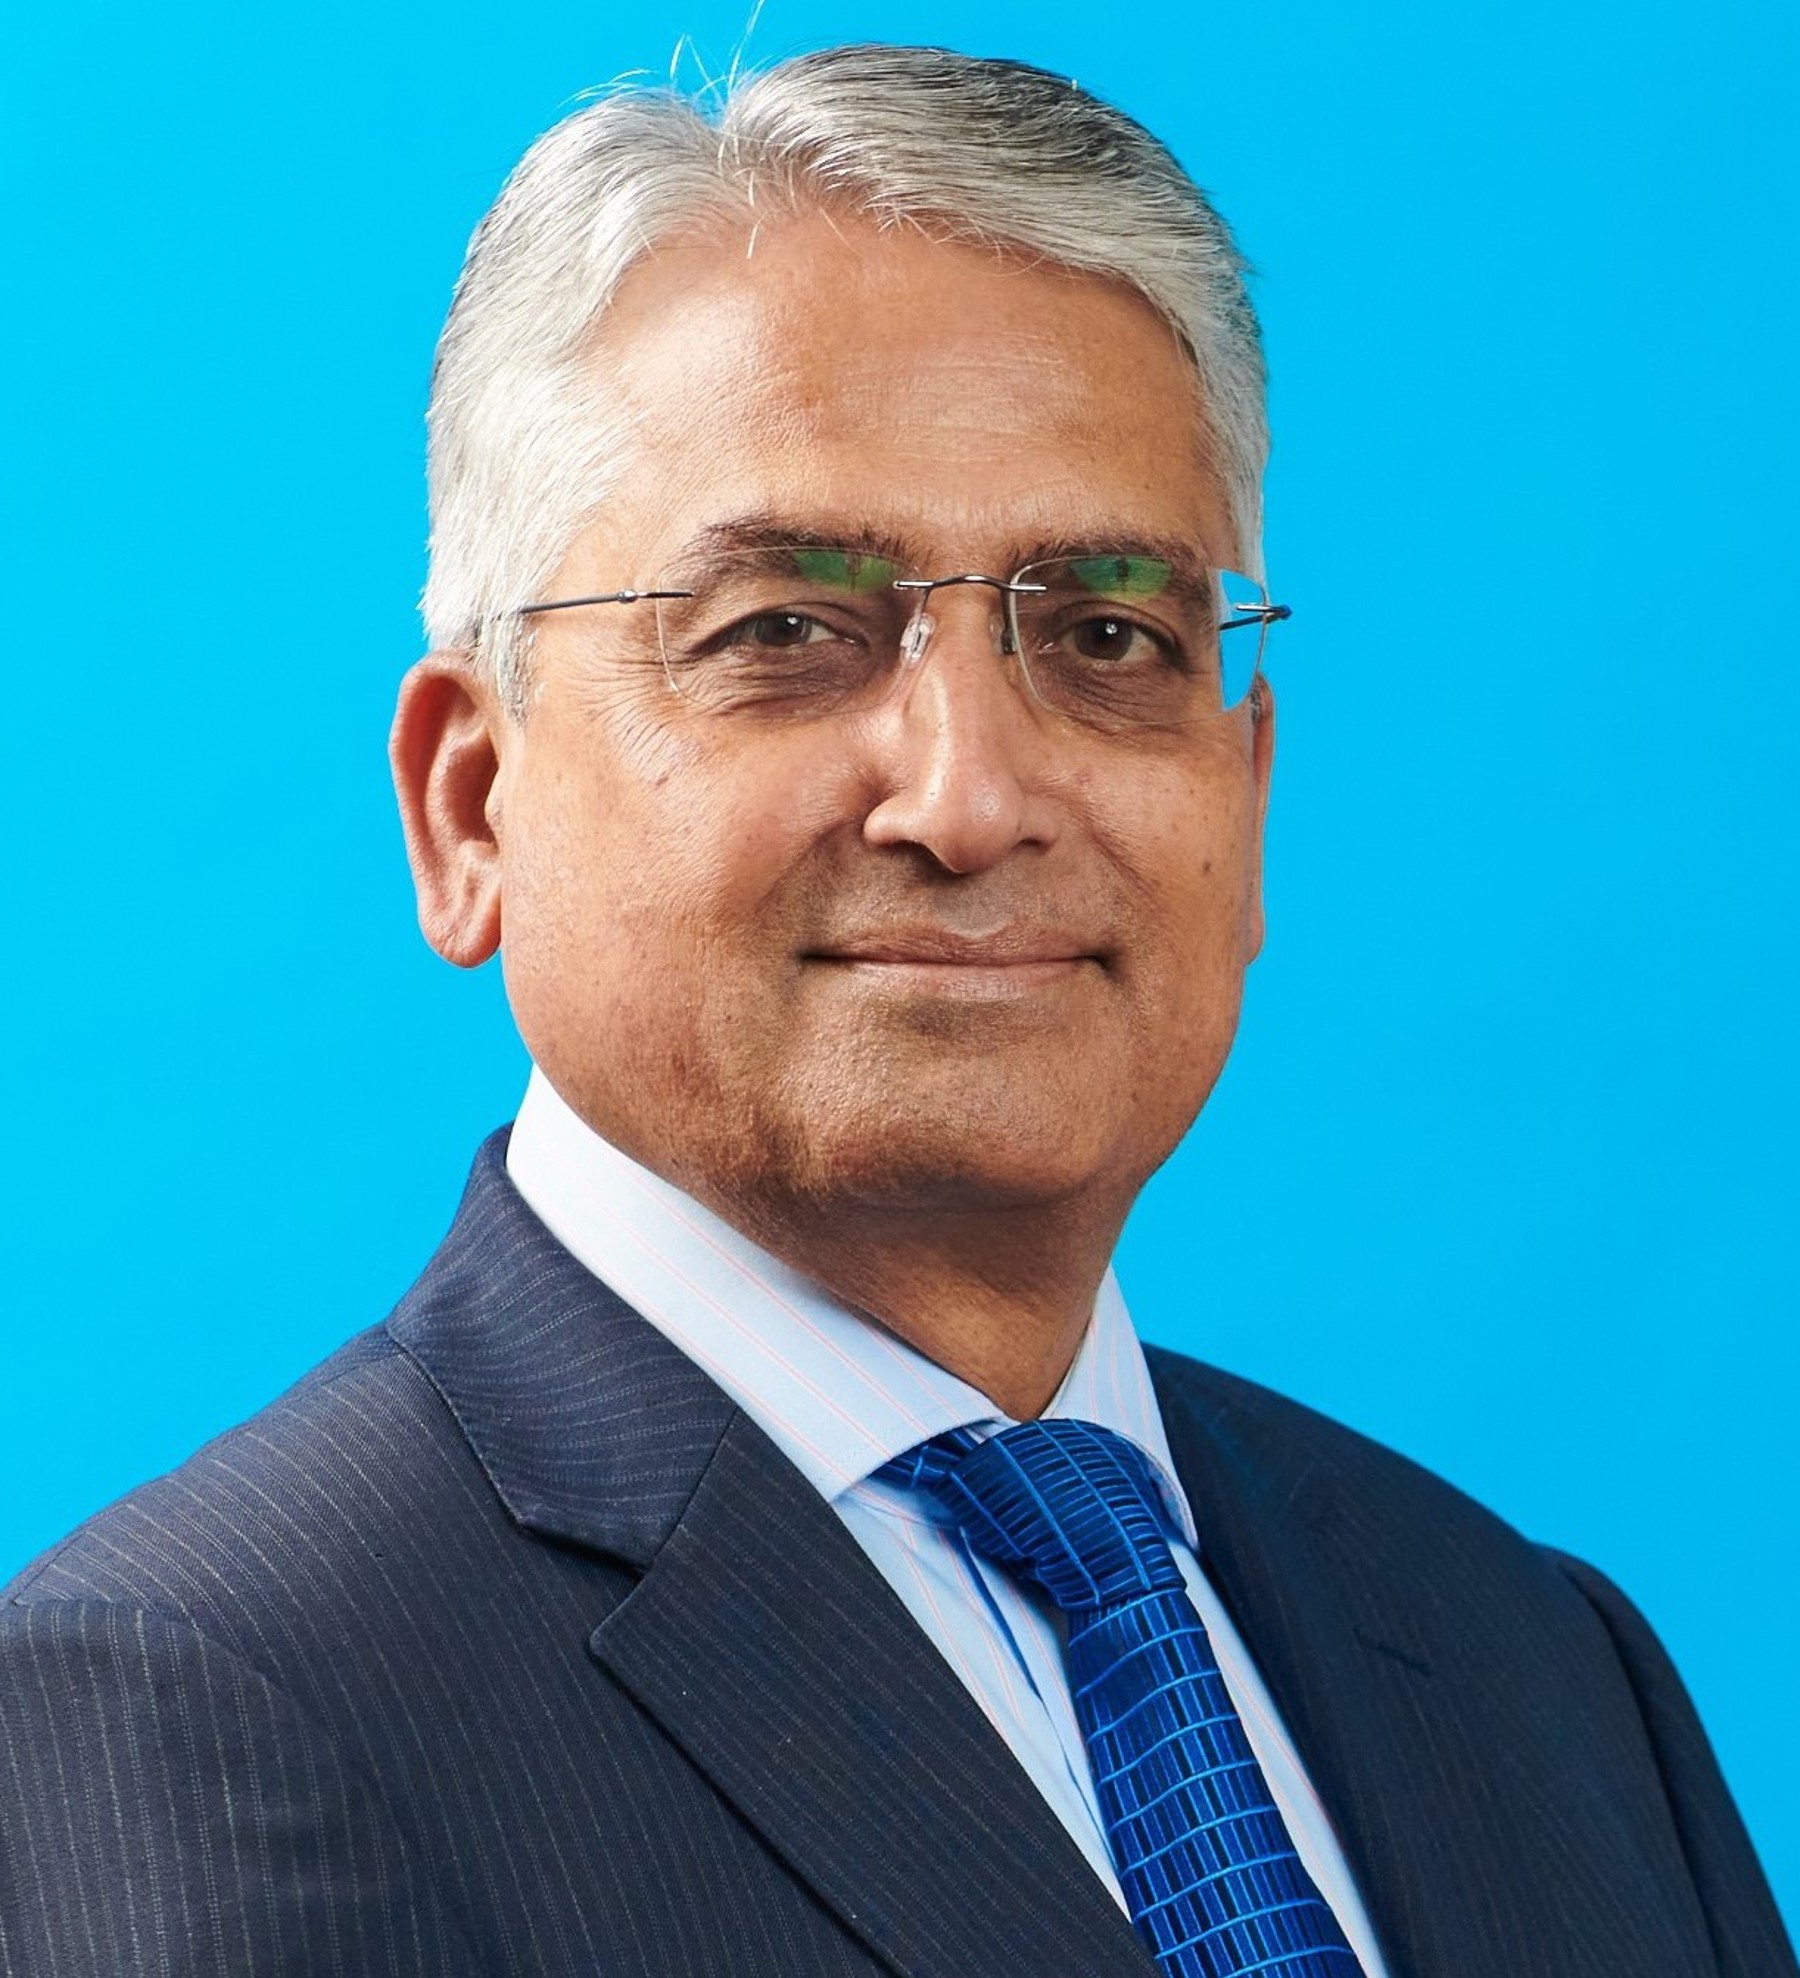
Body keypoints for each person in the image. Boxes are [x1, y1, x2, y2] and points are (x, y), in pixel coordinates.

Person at [0, 43, 1790, 1978]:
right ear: (470, 807)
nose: (968, 793)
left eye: (1109, 633)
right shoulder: (201, 1697)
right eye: (784, 630)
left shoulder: (1541, 1665)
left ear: (1249, 795)